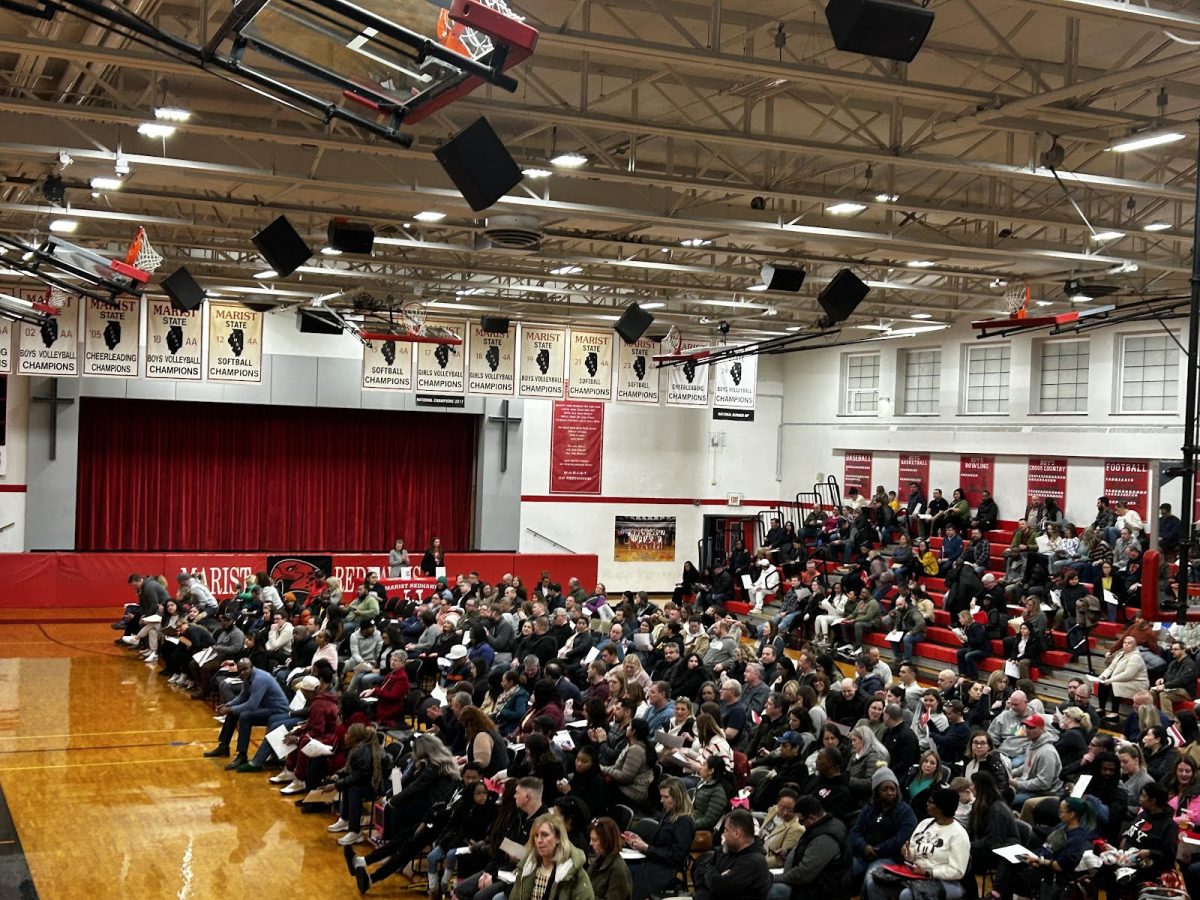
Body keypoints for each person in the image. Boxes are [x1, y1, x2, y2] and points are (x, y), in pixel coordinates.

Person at [861, 788, 969, 900]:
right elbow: (912, 855)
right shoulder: (925, 824)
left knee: (907, 895)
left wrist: (928, 872)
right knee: (874, 884)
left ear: (940, 807)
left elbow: (957, 871)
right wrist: (907, 852)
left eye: (930, 801)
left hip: (943, 881)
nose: (927, 803)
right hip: (915, 874)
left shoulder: (958, 834)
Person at [993, 797, 1096, 900]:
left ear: (1072, 814)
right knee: (1007, 861)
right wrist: (1032, 857)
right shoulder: (1062, 826)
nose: (1058, 813)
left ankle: (997, 894)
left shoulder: (1077, 838)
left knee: (1007, 880)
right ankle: (997, 893)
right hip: (1039, 862)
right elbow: (1046, 847)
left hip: (1049, 876)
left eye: (1061, 811)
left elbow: (1061, 866)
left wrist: (1041, 861)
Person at [203, 657, 289, 769]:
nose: (243, 672)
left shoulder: (260, 679)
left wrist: (229, 709)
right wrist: (228, 705)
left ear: (252, 667)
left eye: (245, 669)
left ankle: (242, 755)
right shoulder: (247, 677)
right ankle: (223, 746)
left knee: (245, 716)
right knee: (234, 712)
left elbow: (251, 705)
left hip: (278, 711)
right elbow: (242, 697)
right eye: (240, 670)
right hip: (266, 708)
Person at [622, 777, 696, 900]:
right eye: (661, 796)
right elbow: (660, 844)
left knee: (625, 877)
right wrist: (639, 842)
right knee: (620, 870)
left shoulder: (684, 822)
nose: (661, 800)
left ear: (677, 798)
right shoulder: (669, 813)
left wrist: (646, 848)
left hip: (664, 870)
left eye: (666, 797)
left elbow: (676, 856)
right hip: (653, 862)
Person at [767, 794, 852, 900]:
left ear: (812, 818)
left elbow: (804, 874)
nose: (801, 824)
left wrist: (775, 878)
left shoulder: (825, 838)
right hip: (809, 884)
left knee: (771, 890)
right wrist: (788, 853)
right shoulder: (824, 824)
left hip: (819, 891)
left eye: (801, 820)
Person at [848, 767, 917, 890]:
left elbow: (901, 840)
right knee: (842, 871)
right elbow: (855, 831)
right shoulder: (869, 808)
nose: (889, 792)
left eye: (892, 789)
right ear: (877, 792)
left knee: (872, 879)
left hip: (890, 858)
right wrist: (864, 847)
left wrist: (877, 850)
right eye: (884, 789)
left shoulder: (906, 812)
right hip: (864, 854)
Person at [506, 812, 594, 900]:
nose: (539, 840)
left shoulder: (573, 872)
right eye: (536, 836)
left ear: (558, 838)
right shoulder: (527, 867)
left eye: (545, 835)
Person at [327, 722, 386, 847]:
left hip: (374, 787)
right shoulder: (358, 748)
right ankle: (345, 819)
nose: (345, 735)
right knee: (350, 785)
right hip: (365, 783)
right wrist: (338, 774)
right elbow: (351, 769)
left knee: (354, 789)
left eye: (348, 733)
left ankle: (355, 831)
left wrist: (337, 785)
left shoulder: (363, 751)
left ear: (355, 737)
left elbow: (358, 776)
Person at [693, 808, 772, 900]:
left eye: (726, 830)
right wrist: (714, 876)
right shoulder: (726, 849)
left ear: (737, 833)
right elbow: (699, 871)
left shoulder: (755, 861)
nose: (723, 834)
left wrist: (710, 873)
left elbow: (719, 888)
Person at [586, 816, 633, 900]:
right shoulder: (598, 860)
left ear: (606, 841)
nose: (590, 843)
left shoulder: (618, 870)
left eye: (594, 840)